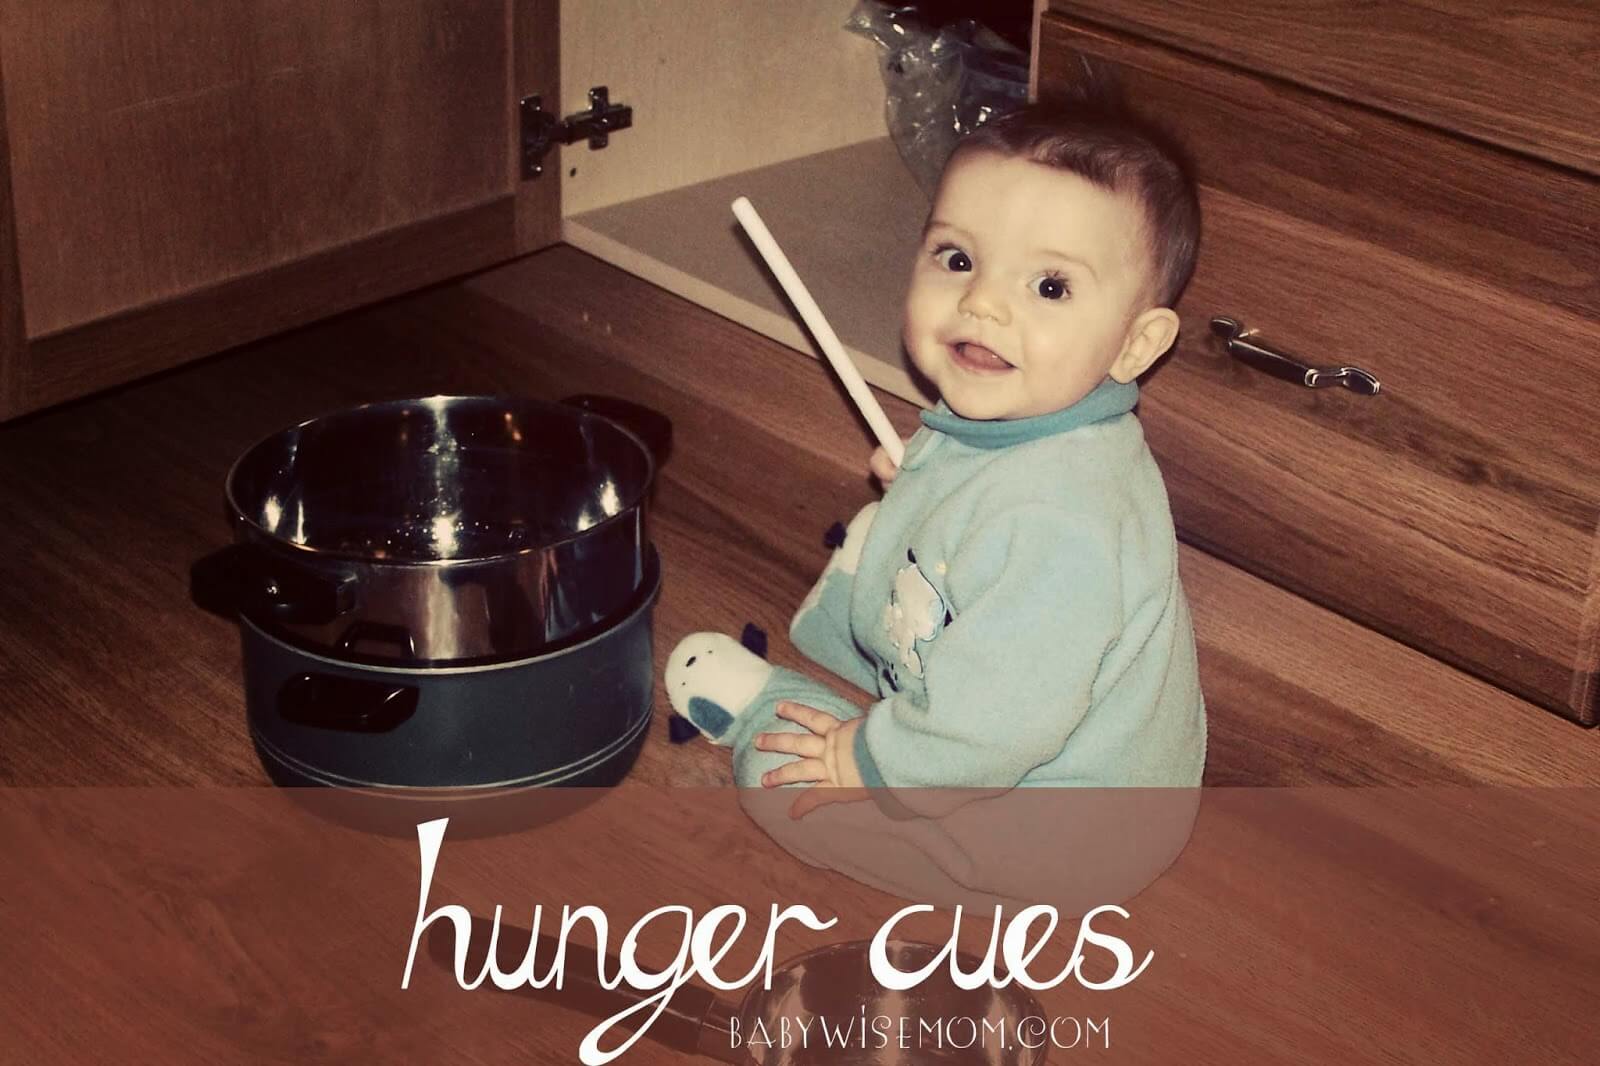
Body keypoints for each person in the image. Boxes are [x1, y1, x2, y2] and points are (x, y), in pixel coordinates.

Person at [664, 95, 1206, 903]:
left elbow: (996, 728)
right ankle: (878, 632)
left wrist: (861, 761)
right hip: (1036, 725)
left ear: (1135, 342)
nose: (983, 302)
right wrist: (926, 482)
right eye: (958, 260)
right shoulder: (1038, 418)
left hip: (1056, 826)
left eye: (1050, 286)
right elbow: (984, 490)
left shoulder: (1061, 527)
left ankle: (770, 711)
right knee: (911, 513)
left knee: (792, 785)